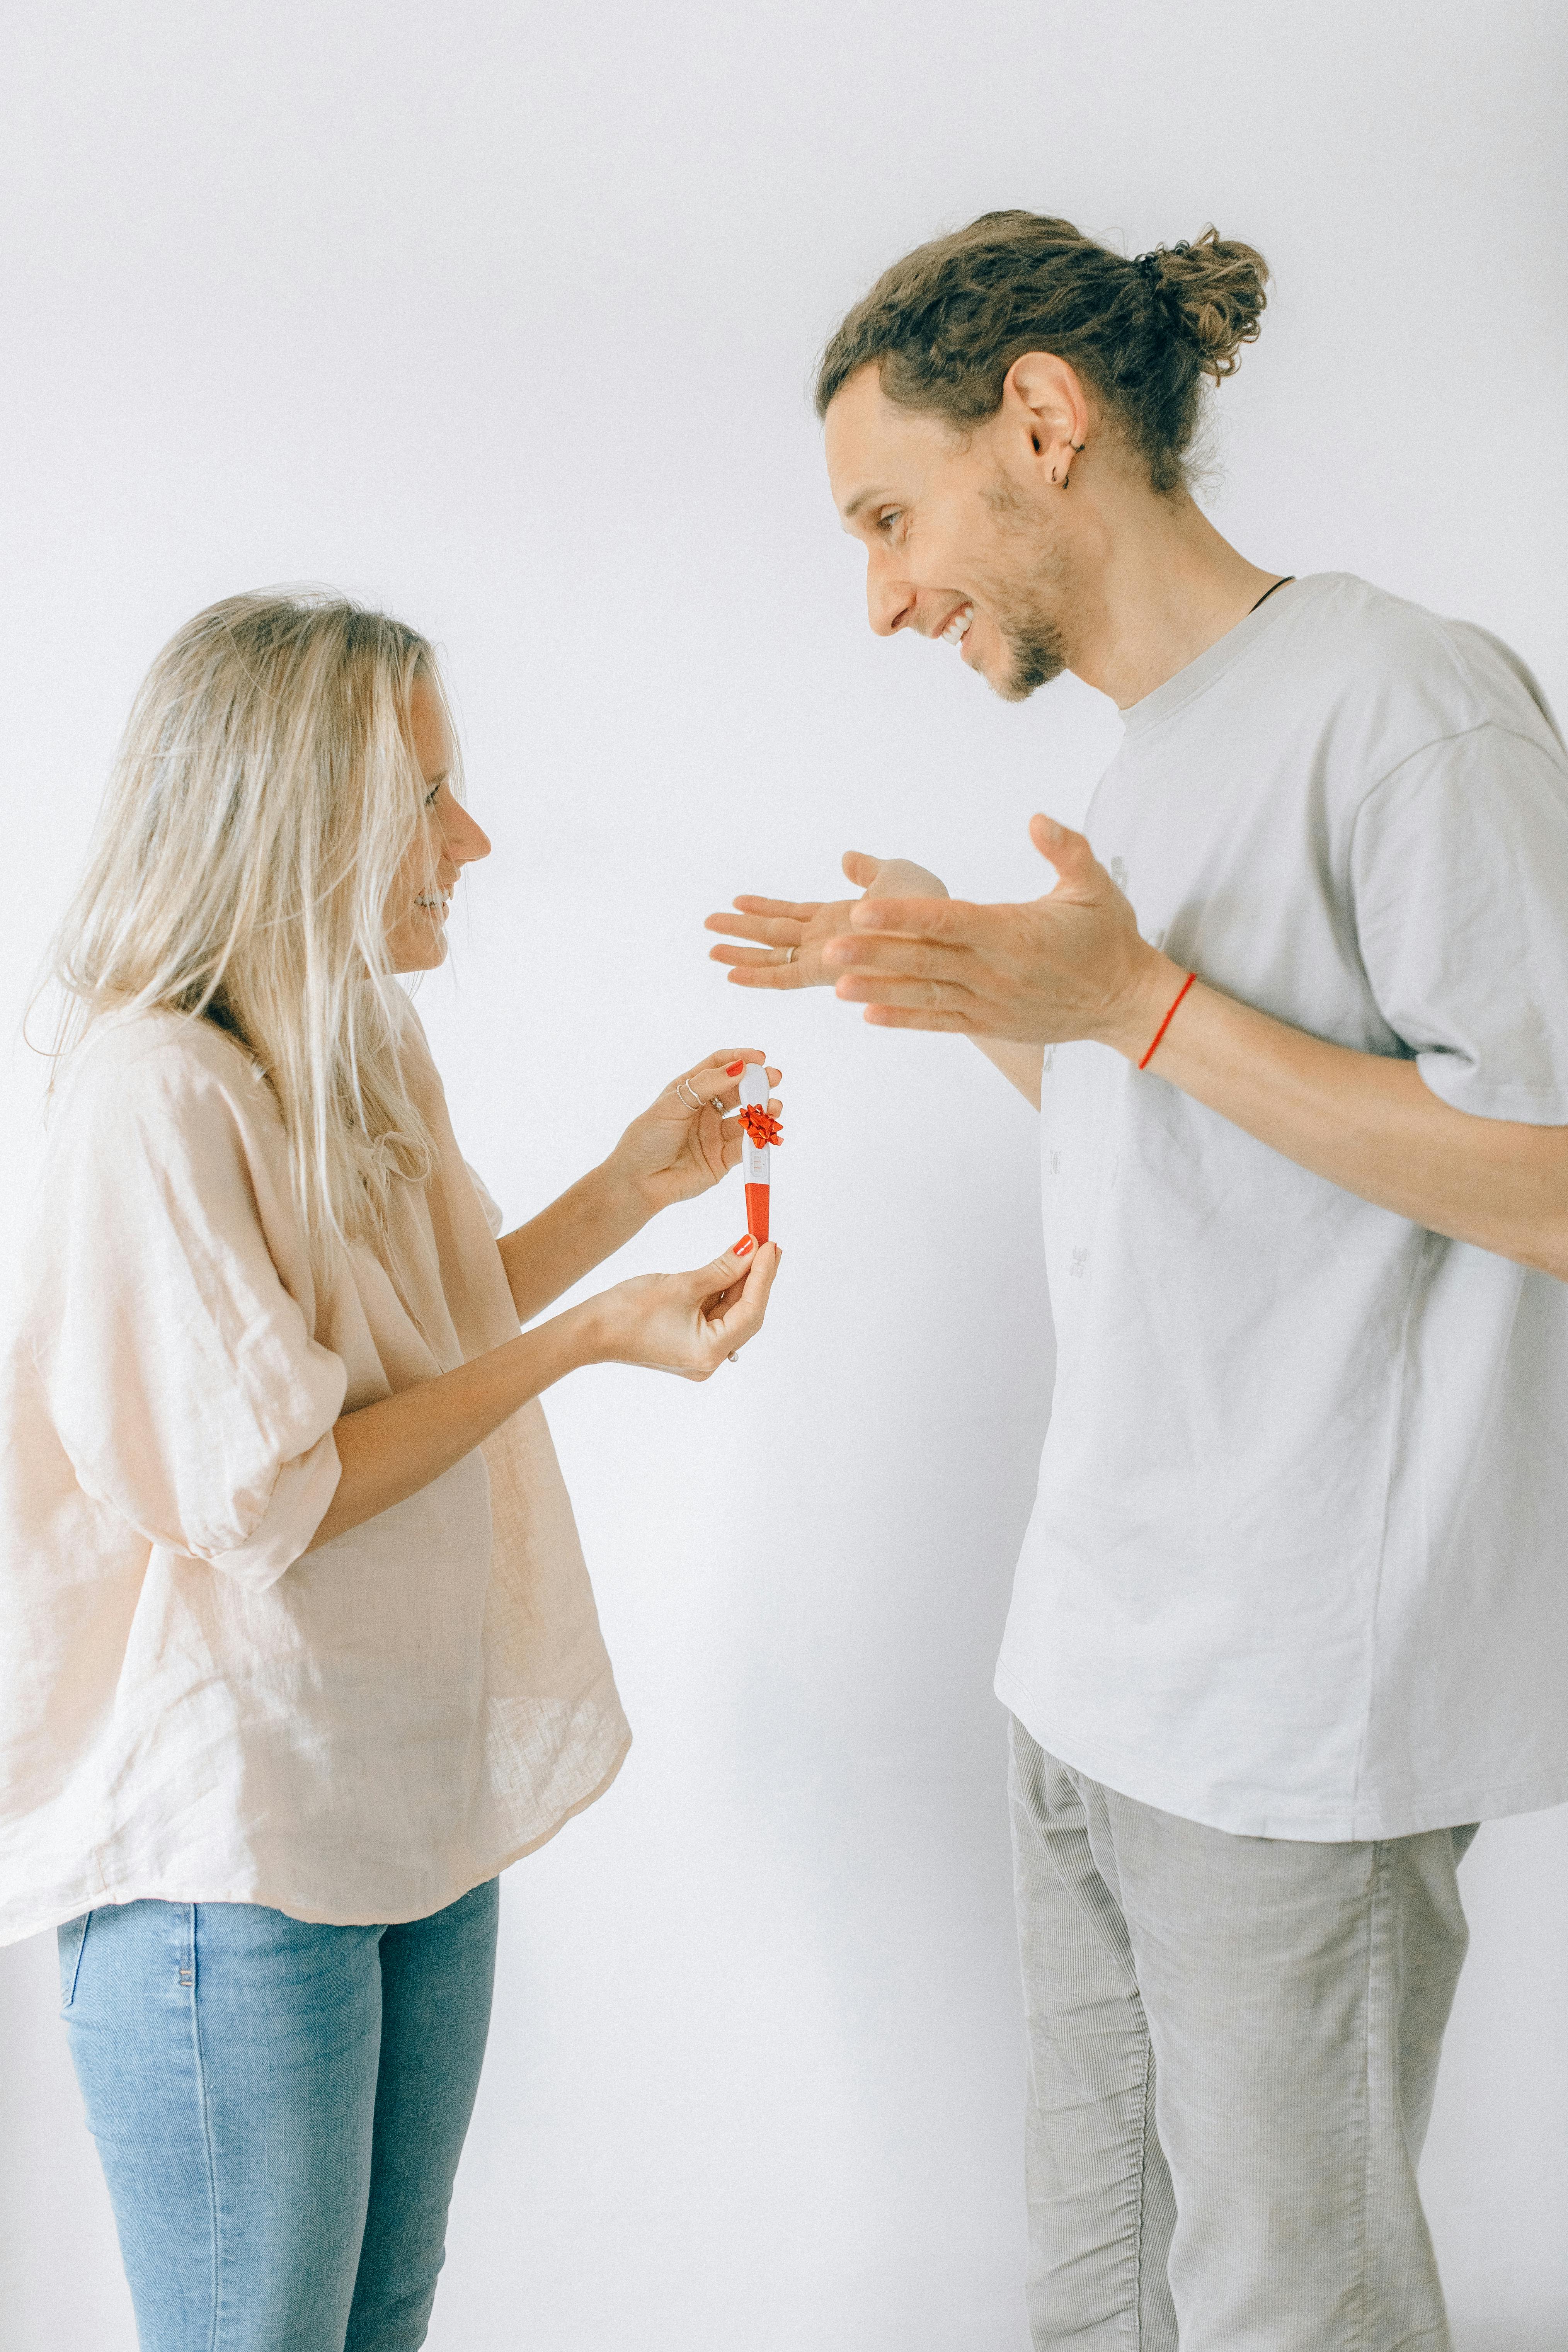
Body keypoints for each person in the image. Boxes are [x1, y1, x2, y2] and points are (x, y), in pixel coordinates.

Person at [706, 213, 1568, 2350]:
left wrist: (1143, 1007)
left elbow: (1551, 1183)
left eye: (889, 515)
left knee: (1295, 2304)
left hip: (1284, 1717)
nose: (884, 590)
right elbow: (1205, 1158)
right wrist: (997, 995)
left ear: (1040, 418)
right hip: (1086, 1671)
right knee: (1094, 2296)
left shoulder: (1401, 704)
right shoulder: (1155, 745)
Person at [1, 590, 781, 2352]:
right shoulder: (152, 1098)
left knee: (381, 2316)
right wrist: (589, 1345)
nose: (473, 839)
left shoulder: (361, 1049)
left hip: (404, 1804)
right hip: (235, 1848)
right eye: (430, 793)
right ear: (301, 816)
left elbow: (422, 1344)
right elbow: (268, 1490)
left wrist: (623, 1193)